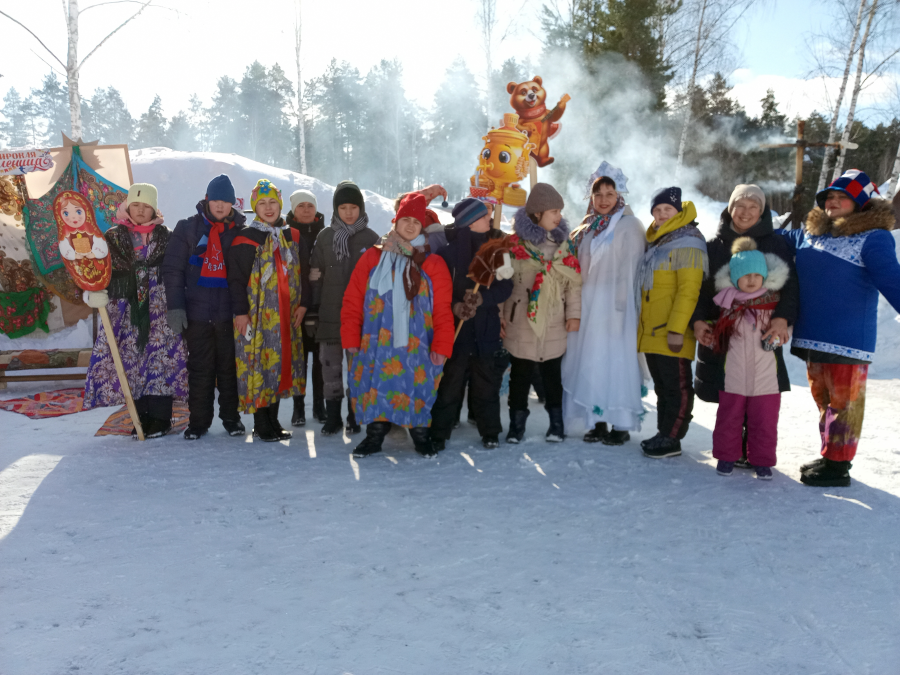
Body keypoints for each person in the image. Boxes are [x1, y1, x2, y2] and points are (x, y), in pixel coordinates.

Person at [781, 170, 900, 487]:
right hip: (812, 335)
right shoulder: (810, 234)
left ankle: (838, 467)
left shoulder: (873, 238)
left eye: (841, 198)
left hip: (848, 339)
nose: (832, 202)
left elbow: (892, 280)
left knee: (845, 404)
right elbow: (774, 239)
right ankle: (830, 455)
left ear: (859, 203)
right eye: (829, 197)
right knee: (823, 400)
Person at [692, 184, 798, 469]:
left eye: (754, 207)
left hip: (763, 329)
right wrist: (699, 321)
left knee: (761, 393)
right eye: (740, 205)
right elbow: (701, 290)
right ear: (730, 209)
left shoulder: (775, 245)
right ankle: (733, 448)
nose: (746, 212)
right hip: (724, 330)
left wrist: (783, 318)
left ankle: (755, 450)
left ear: (762, 212)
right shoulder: (715, 246)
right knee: (729, 391)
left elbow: (791, 287)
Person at [341, 194, 454, 458]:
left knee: (418, 387)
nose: (411, 225)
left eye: (416, 221)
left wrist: (442, 345)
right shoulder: (372, 257)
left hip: (418, 345)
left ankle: (421, 437)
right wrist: (350, 337)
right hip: (376, 343)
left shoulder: (433, 263)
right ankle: (374, 437)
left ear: (422, 226)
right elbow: (353, 300)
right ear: (396, 221)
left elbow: (442, 310)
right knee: (375, 385)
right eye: (406, 220)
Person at [82, 183, 188, 438]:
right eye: (136, 205)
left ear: (154, 209)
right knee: (132, 360)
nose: (140, 210)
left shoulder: (166, 236)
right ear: (128, 207)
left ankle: (161, 419)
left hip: (160, 309)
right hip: (125, 310)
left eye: (146, 206)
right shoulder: (113, 237)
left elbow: (178, 270)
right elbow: (98, 269)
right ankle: (140, 416)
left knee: (161, 360)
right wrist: (94, 290)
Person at [562, 172, 646, 446]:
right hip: (588, 305)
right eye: (598, 194)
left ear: (619, 196)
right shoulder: (587, 227)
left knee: (616, 362)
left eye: (610, 194)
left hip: (616, 308)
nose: (603, 200)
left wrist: (621, 308)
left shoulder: (629, 225)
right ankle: (596, 421)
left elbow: (631, 270)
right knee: (591, 361)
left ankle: (620, 423)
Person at [162, 174, 247, 440]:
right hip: (197, 314)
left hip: (228, 315)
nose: (220, 205)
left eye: (226, 201)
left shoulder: (240, 232)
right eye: (216, 200)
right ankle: (198, 422)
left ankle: (231, 418)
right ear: (207, 200)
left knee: (229, 370)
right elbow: (173, 270)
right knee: (200, 370)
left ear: (233, 204)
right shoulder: (188, 228)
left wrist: (243, 311)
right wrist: (176, 307)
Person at [227, 179, 309, 442]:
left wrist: (303, 304)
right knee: (259, 365)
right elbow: (235, 280)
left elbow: (304, 273)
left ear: (280, 204)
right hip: (257, 316)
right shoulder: (245, 238)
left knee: (279, 365)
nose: (268, 207)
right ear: (255, 207)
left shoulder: (291, 235)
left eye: (273, 201)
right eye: (262, 203)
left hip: (286, 315)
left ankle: (273, 420)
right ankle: (261, 423)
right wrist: (241, 313)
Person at [430, 198, 513, 450]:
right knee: (450, 384)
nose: (489, 218)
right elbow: (438, 292)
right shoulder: (446, 253)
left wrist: (482, 299)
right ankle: (439, 433)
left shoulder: (497, 250)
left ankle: (490, 432)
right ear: (470, 222)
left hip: (485, 330)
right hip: (457, 332)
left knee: (486, 384)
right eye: (484, 215)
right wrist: (457, 306)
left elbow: (506, 287)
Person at [503, 183, 582, 443]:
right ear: (537, 214)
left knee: (552, 375)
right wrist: (500, 316)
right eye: (554, 211)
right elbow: (502, 283)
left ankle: (556, 424)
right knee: (520, 375)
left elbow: (573, 284)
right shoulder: (513, 245)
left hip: (554, 319)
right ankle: (516, 425)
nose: (559, 216)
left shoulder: (564, 246)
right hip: (520, 321)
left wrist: (574, 315)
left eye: (560, 211)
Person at [709, 237, 791, 480]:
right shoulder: (726, 303)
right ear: (735, 278)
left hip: (766, 376)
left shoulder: (774, 304)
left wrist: (783, 332)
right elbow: (716, 332)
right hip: (733, 373)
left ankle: (762, 461)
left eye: (757, 275)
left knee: (764, 421)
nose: (752, 280)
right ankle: (726, 457)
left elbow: (784, 331)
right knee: (729, 418)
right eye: (746, 275)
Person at [636, 187, 708, 458]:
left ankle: (672, 438)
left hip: (671, 330)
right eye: (657, 210)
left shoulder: (688, 242)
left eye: (668, 209)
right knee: (662, 386)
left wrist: (677, 329)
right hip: (652, 329)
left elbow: (689, 291)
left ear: (678, 211)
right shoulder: (658, 241)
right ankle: (663, 433)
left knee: (677, 386)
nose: (662, 214)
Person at [309, 181, 379, 436]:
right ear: (335, 209)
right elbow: (315, 277)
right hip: (329, 317)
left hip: (360, 319)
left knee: (357, 370)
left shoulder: (371, 239)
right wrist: (313, 312)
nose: (348, 212)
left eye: (353, 207)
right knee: (330, 370)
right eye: (343, 207)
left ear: (361, 208)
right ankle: (333, 417)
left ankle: (354, 415)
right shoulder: (325, 237)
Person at [286, 189, 325, 426]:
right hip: (294, 306)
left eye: (310, 205)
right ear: (293, 210)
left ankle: (320, 407)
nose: (306, 210)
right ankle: (298, 407)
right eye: (301, 206)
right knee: (298, 360)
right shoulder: (286, 234)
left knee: (321, 360)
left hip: (321, 305)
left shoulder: (326, 233)